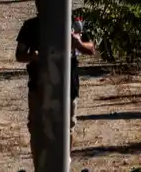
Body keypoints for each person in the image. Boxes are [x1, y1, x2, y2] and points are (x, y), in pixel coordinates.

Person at [18, 9, 97, 169]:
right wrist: (33, 56)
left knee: (66, 127)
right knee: (37, 129)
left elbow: (91, 49)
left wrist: (78, 43)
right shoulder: (31, 26)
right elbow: (19, 55)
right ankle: (38, 167)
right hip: (39, 87)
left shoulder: (74, 23)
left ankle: (64, 165)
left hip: (68, 86)